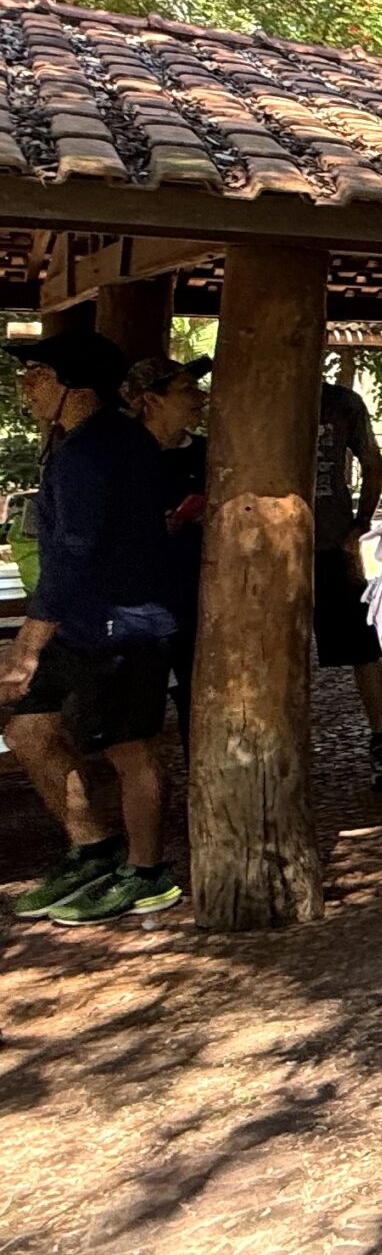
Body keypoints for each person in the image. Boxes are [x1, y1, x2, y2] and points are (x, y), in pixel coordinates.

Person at [2, 332, 187, 925]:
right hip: (82, 624)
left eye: (37, 372)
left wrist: (28, 644)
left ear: (73, 384)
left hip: (124, 626)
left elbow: (76, 552)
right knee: (30, 732)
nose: (25, 384)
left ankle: (147, 873)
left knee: (132, 749)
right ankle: (93, 849)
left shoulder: (97, 450)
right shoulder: (73, 442)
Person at [312, 370, 382, 794]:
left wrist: (361, 524)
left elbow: (372, 463)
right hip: (273, 551)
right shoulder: (254, 391)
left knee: (363, 647)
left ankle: (381, 737)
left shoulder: (342, 402)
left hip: (333, 544)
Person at [123, 354, 210, 741]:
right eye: (187, 388)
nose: (200, 396)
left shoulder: (210, 452)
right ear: (152, 400)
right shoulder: (118, 454)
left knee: (199, 699)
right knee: (134, 714)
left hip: (198, 597)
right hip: (135, 601)